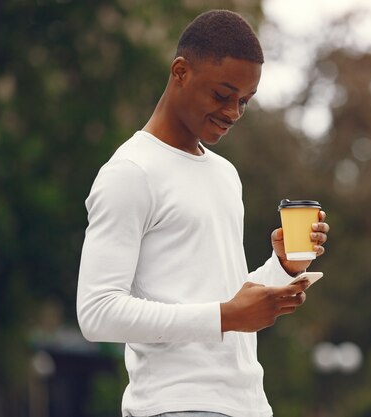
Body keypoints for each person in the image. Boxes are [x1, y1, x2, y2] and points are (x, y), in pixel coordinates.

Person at [76, 9, 330, 417]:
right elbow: (97, 312)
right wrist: (225, 316)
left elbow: (220, 302)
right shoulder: (131, 173)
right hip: (177, 405)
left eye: (244, 101)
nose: (233, 112)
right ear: (180, 72)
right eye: (222, 94)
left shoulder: (225, 174)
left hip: (247, 405)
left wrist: (282, 268)